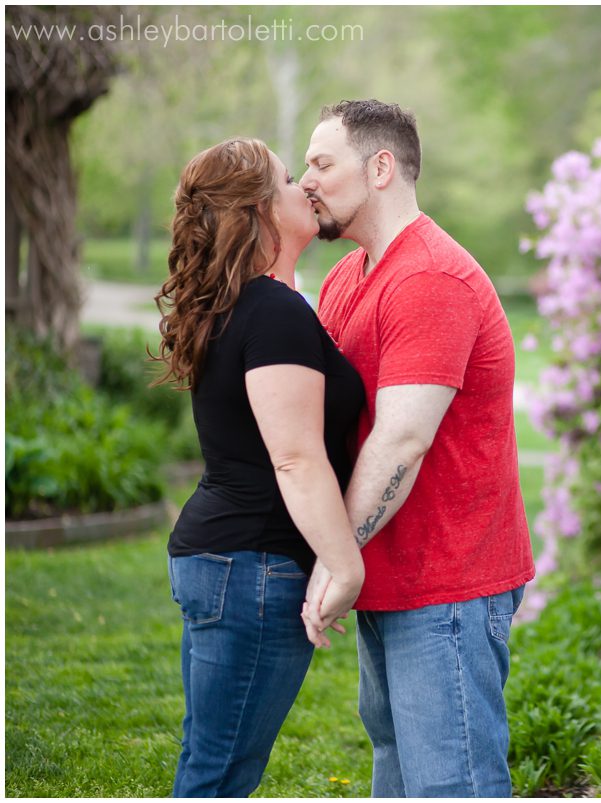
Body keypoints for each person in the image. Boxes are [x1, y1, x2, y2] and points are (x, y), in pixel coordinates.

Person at [298, 100, 535, 797]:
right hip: (389, 574)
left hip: (449, 585)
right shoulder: (350, 275)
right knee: (399, 769)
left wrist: (333, 556)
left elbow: (400, 439)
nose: (305, 179)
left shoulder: (429, 277)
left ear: (380, 167)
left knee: (446, 782)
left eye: (321, 163)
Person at [153, 137, 366, 797]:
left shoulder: (266, 303)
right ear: (258, 209)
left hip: (228, 561)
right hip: (252, 568)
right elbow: (295, 456)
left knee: (210, 762)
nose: (304, 183)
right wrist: (346, 563)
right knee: (219, 776)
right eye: (286, 176)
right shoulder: (270, 312)